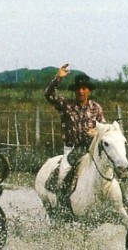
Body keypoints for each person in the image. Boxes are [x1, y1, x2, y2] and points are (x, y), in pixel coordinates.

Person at [44, 63, 106, 199]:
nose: (81, 92)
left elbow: (104, 129)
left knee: (109, 171)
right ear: (75, 91)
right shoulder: (66, 105)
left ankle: (123, 203)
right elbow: (48, 94)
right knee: (63, 172)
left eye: (84, 89)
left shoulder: (96, 108)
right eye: (78, 89)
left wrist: (96, 133)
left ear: (88, 90)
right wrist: (58, 78)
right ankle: (61, 204)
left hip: (91, 149)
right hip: (72, 149)